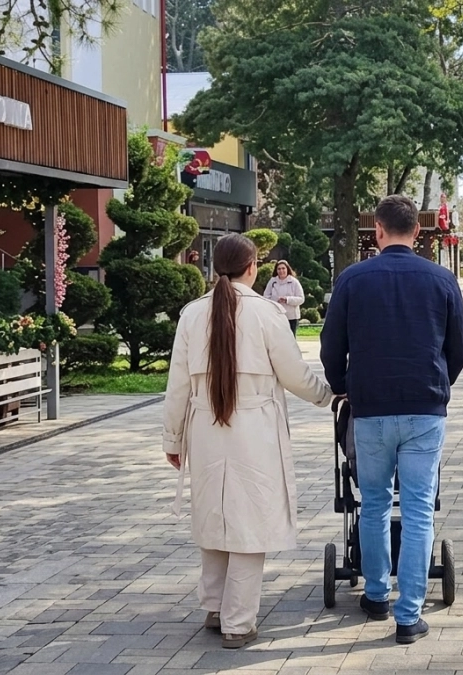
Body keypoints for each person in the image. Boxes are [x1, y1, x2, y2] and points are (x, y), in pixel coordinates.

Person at [162, 233, 332, 650]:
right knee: (249, 523)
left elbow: (177, 385)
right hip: (254, 430)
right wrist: (328, 395)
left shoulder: (191, 314)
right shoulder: (265, 313)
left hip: (203, 427)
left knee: (215, 515)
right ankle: (239, 622)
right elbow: (294, 374)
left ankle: (216, 605)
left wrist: (173, 437)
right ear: (253, 267)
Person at [320, 195, 463, 644]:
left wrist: (341, 383)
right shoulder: (442, 279)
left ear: (378, 231)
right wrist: (440, 382)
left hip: (371, 409)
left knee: (375, 502)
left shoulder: (352, 279)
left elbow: (331, 343)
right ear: (418, 233)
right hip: (425, 406)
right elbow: (458, 348)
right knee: (421, 507)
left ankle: (377, 594)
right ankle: (410, 615)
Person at [263, 260, 306, 334]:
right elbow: (265, 297)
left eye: (283, 268)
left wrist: (287, 299)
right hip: (276, 316)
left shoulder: (294, 282)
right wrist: (275, 300)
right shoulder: (272, 281)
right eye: (279, 269)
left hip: (291, 317)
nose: (281, 271)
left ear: (287, 269)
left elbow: (301, 299)